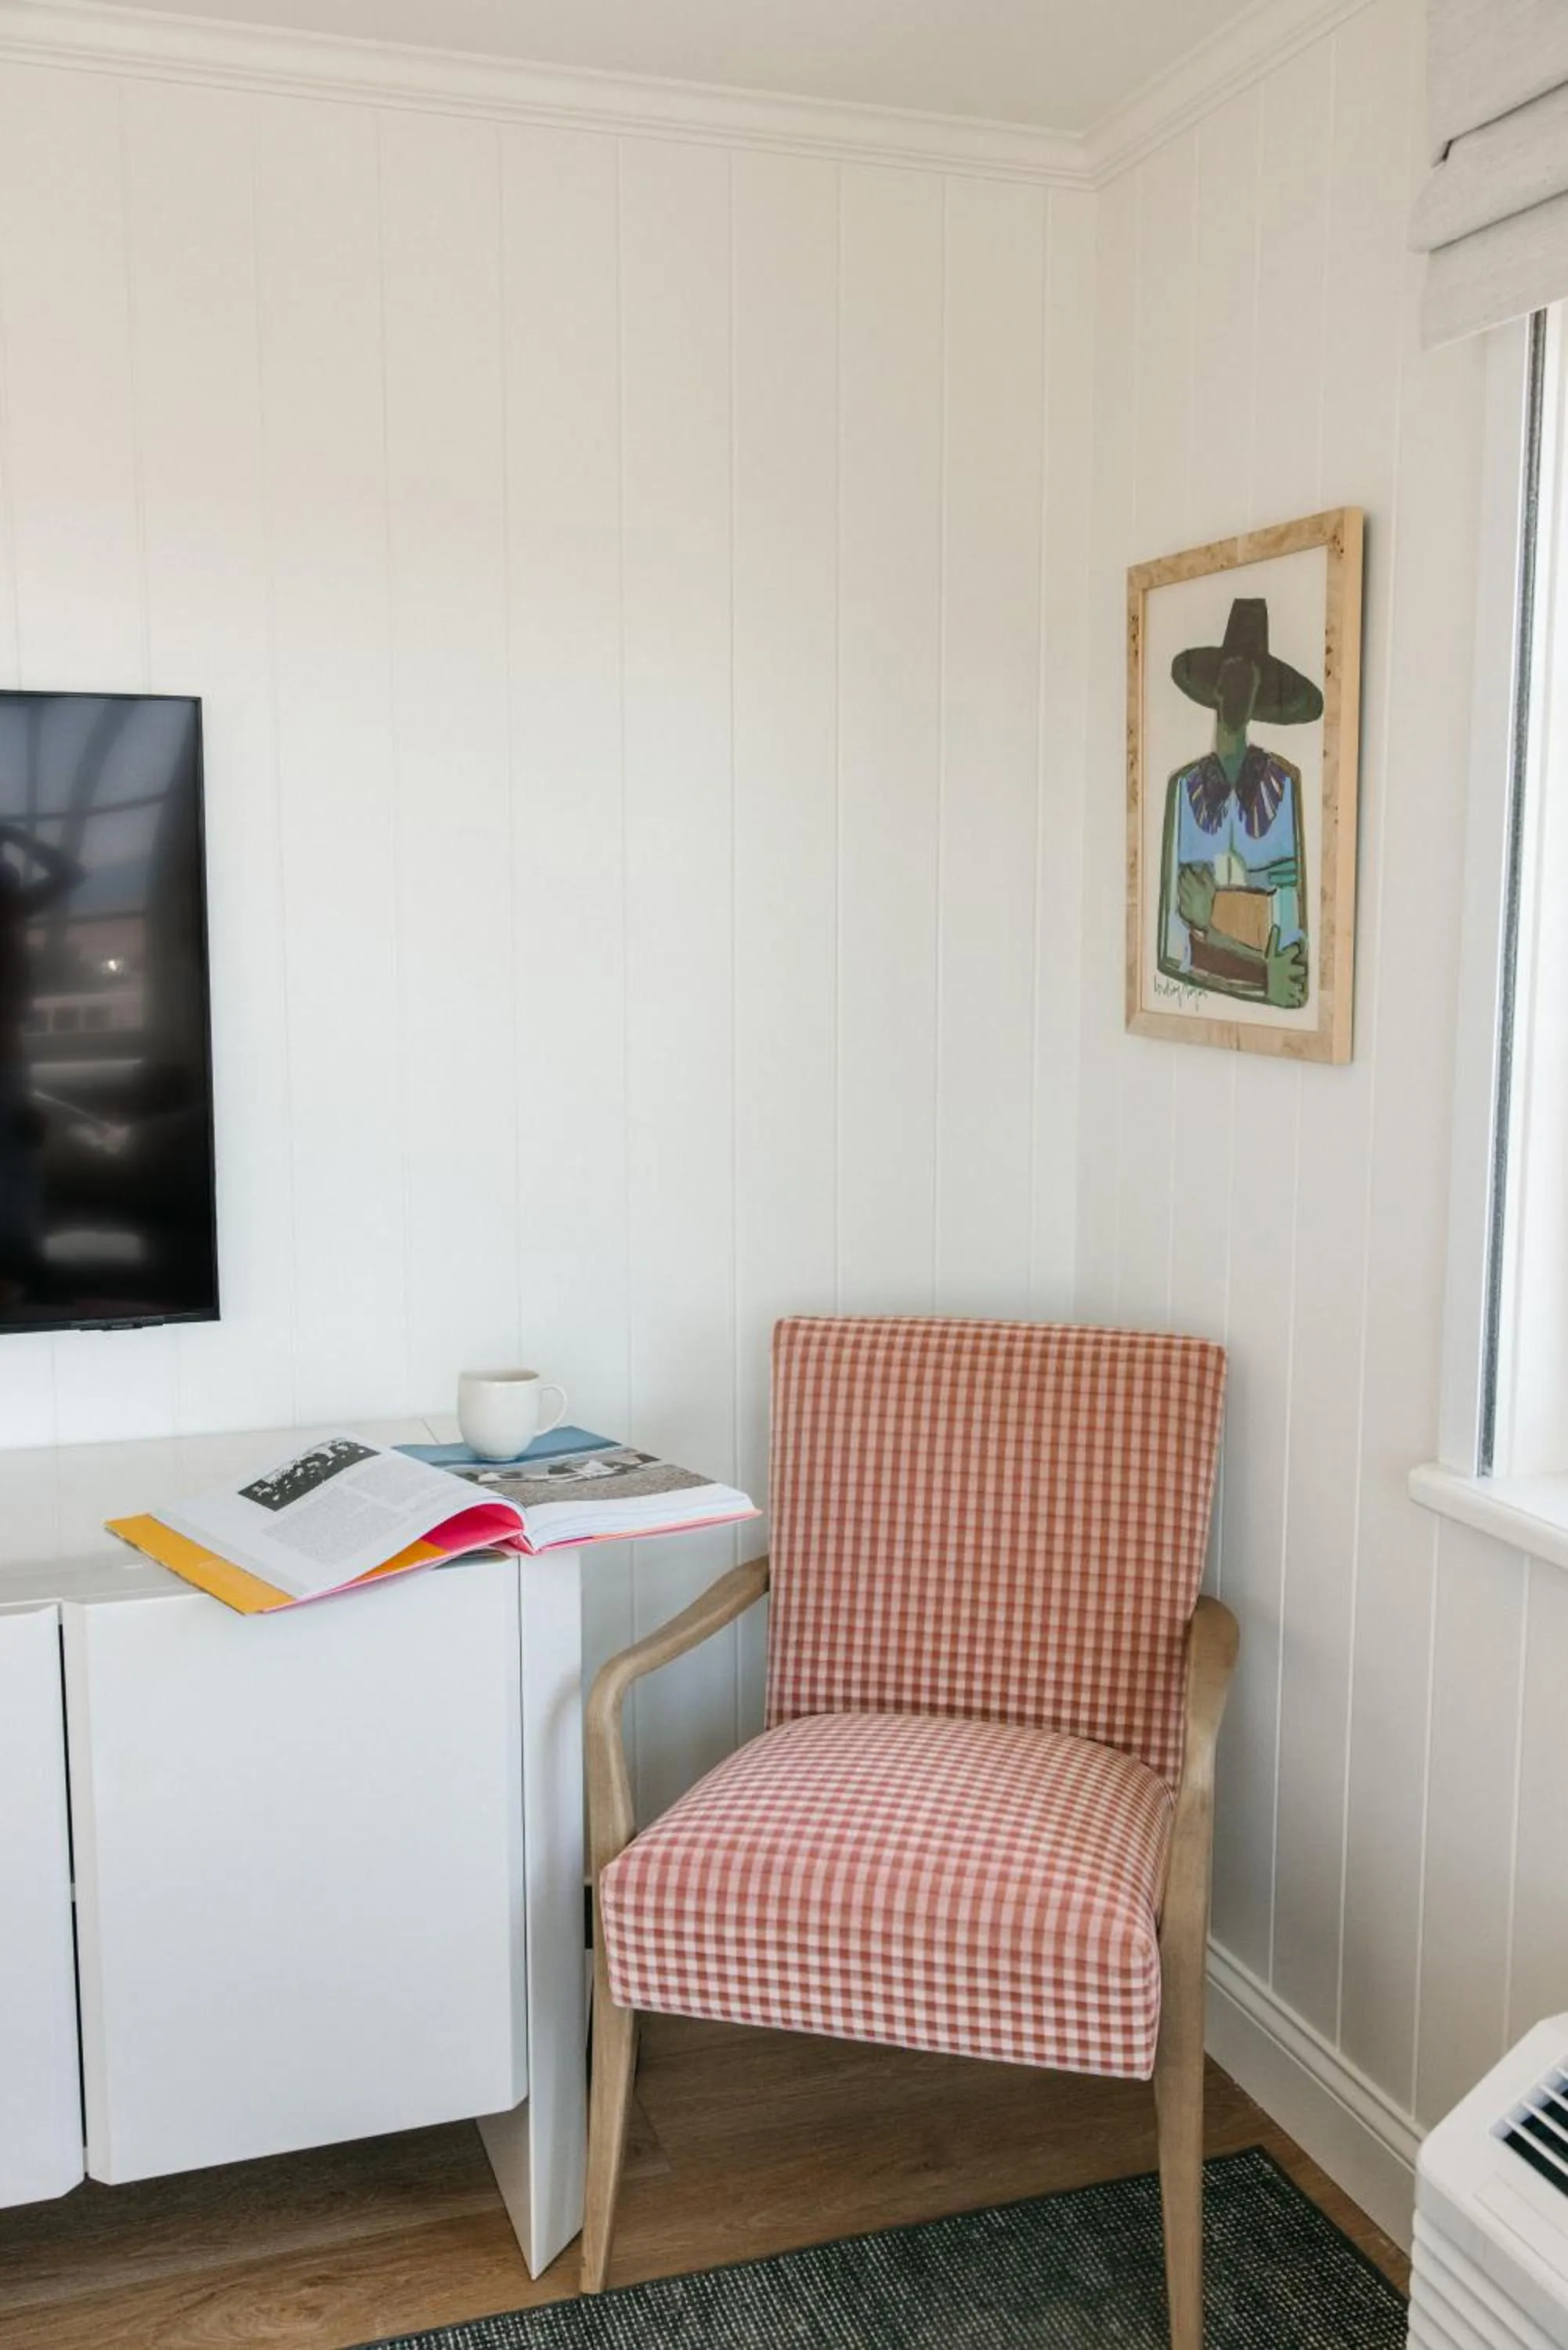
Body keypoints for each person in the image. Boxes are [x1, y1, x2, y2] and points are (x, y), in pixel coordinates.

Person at [1157, 596, 1322, 1009]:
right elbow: (1176, 951)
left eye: (1246, 683)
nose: (1236, 695)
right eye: (1230, 681)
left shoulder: (1280, 787)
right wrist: (1258, 964)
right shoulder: (1185, 789)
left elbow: (1288, 951)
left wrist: (1209, 919)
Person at [0, 819, 83, 1295]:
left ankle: (21, 1255)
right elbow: (69, 874)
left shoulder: (9, 916)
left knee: (19, 1151)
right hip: (6, 1056)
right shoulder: (9, 914)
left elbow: (70, 875)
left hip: (8, 1056)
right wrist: (19, 839)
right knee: (18, 1153)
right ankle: (21, 1256)